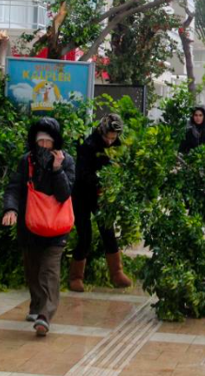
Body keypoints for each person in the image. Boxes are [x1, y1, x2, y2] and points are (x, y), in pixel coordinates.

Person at [3, 117, 75, 337]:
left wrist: (57, 170)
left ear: (55, 142)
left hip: (56, 228)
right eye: (40, 141)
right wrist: (10, 210)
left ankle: (45, 316)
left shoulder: (67, 161)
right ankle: (36, 306)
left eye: (48, 141)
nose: (44, 145)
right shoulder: (27, 161)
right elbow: (14, 187)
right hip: (30, 226)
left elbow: (65, 194)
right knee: (32, 270)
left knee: (49, 271)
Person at [68, 113, 132, 292]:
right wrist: (101, 181)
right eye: (108, 138)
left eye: (114, 138)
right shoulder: (88, 145)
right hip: (82, 195)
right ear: (102, 132)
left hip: (100, 197)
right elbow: (82, 174)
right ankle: (76, 277)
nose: (111, 141)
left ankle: (117, 273)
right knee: (85, 236)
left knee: (108, 232)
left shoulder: (116, 145)